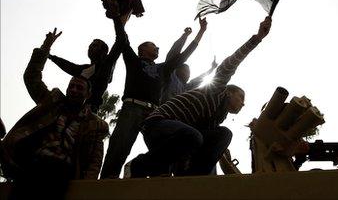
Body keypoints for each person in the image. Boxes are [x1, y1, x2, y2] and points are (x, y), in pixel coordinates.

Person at [129, 16, 272, 178]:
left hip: (176, 140)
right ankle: (139, 165)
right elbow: (230, 64)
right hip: (158, 125)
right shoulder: (218, 89)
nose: (243, 103)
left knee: (223, 134)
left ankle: (191, 178)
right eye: (241, 97)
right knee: (195, 136)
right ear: (229, 92)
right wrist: (257, 38)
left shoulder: (216, 117)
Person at [1, 28, 109, 199]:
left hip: (62, 171)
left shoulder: (95, 124)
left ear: (88, 95)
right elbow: (32, 77)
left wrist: (87, 189)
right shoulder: (52, 103)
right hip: (33, 164)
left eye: (79, 88)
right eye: (71, 86)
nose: (73, 90)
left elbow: (95, 161)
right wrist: (46, 49)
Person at [100, 18, 208, 179]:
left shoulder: (163, 68)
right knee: (119, 147)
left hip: (154, 114)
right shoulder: (134, 61)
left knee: (162, 148)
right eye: (153, 45)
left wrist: (201, 32)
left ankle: (159, 181)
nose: (157, 47)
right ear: (142, 49)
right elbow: (122, 39)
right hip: (132, 108)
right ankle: (106, 184)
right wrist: (118, 19)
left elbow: (185, 55)